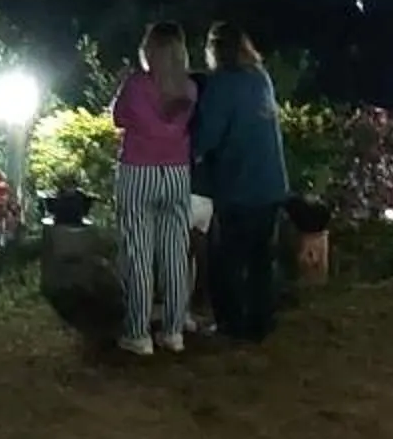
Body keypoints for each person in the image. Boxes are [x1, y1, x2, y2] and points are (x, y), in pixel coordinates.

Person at [189, 20, 290, 343]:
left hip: (239, 186)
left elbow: (207, 136)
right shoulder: (260, 78)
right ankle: (260, 323)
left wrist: (185, 149)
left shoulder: (222, 85)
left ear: (214, 50)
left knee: (225, 261)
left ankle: (230, 324)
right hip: (271, 184)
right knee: (261, 259)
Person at [108, 21, 196, 354]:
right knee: (175, 253)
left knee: (139, 254)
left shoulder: (136, 85)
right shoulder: (189, 89)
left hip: (139, 172)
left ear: (150, 50)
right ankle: (174, 331)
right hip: (176, 172)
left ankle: (138, 333)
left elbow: (118, 118)